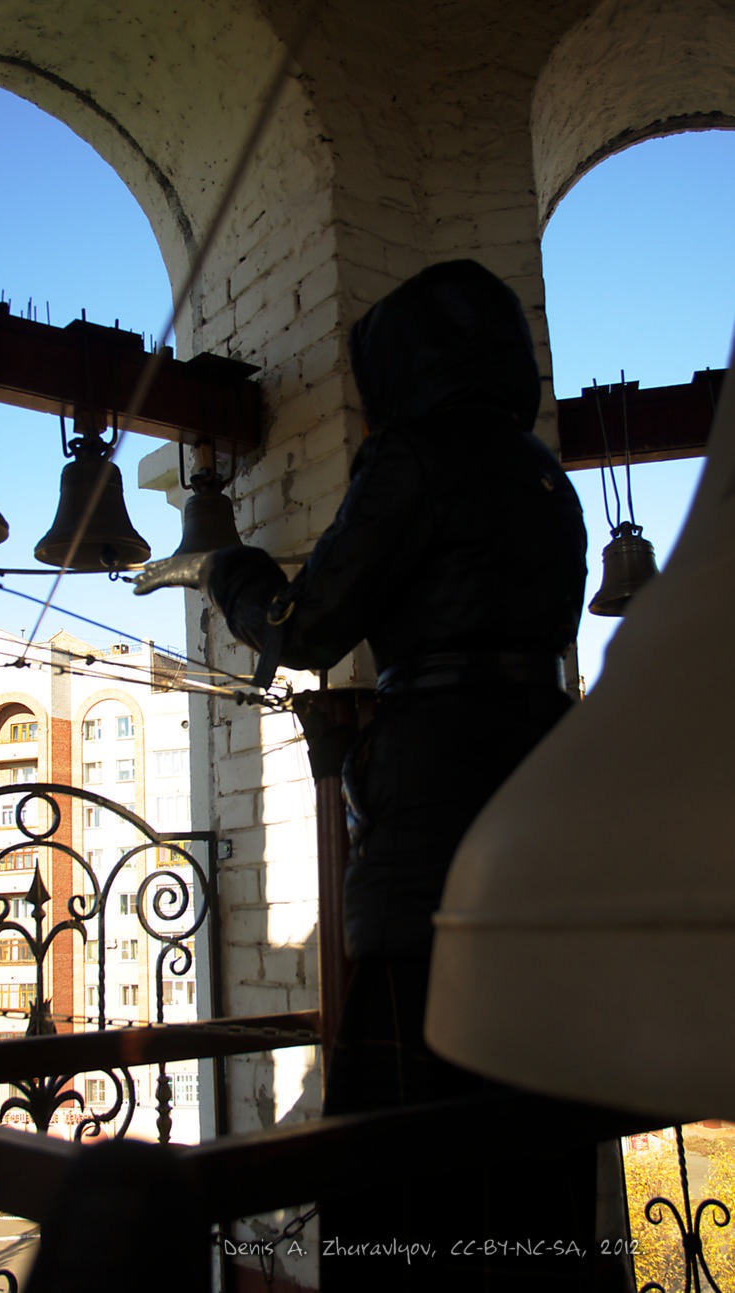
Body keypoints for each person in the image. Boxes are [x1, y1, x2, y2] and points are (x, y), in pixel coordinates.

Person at [203, 260, 594, 1289]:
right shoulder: (543, 476)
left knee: (404, 1152)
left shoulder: (413, 454)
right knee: (527, 1138)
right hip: (541, 797)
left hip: (433, 819)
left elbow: (305, 627)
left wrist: (230, 571)